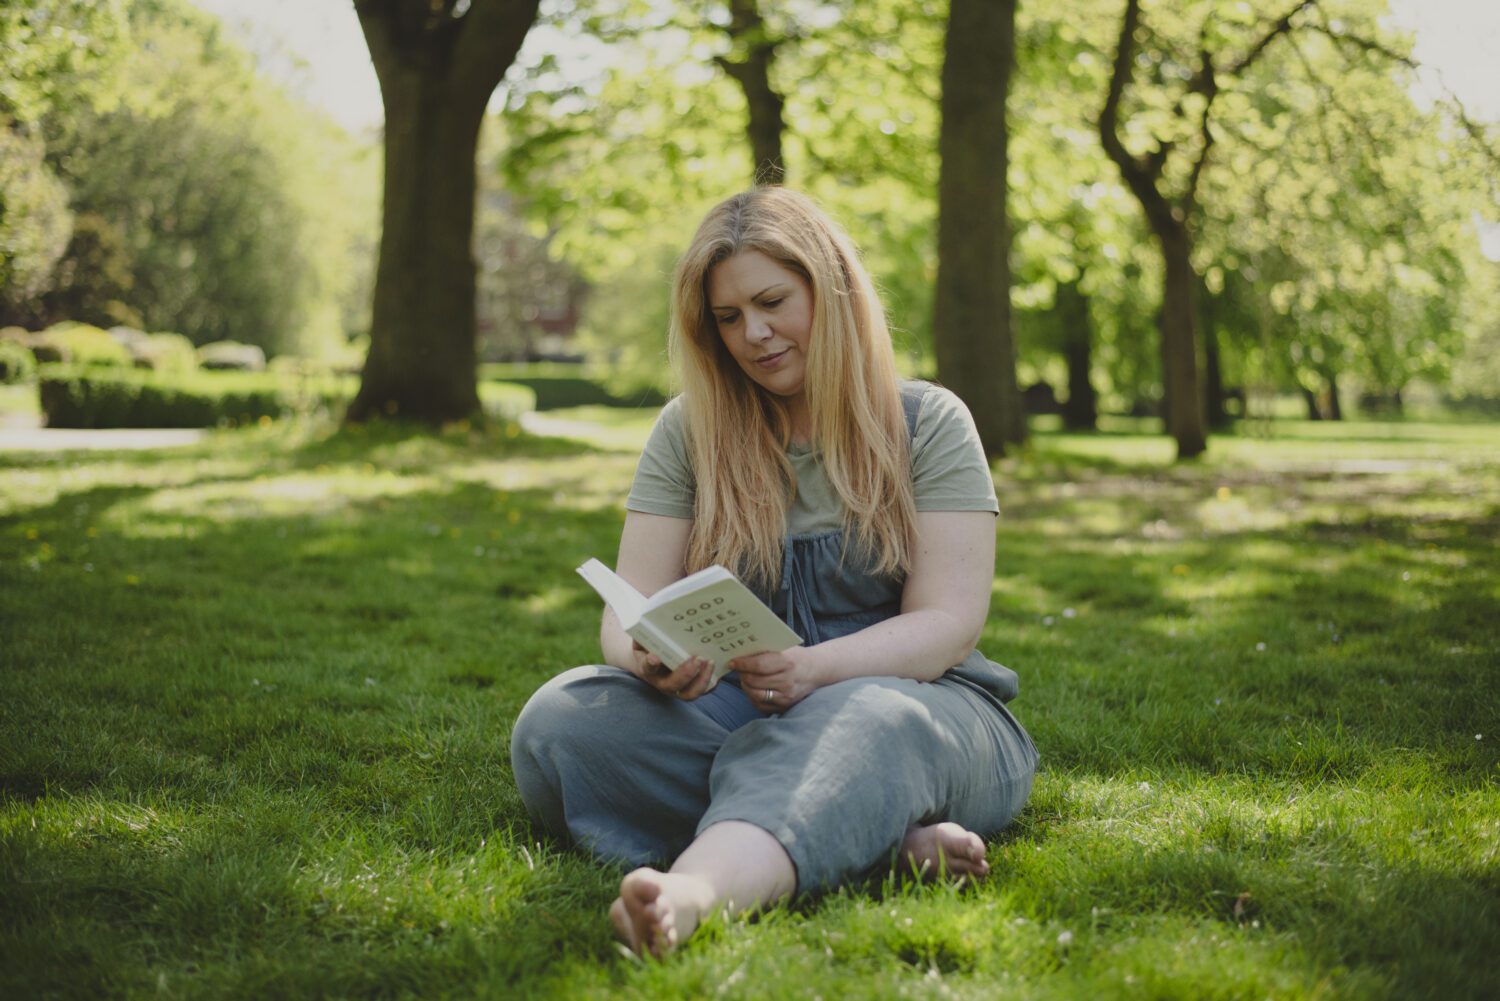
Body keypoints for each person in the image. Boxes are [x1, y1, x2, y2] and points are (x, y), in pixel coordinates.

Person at [509, 187, 1038, 958]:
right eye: (728, 317)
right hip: (745, 713)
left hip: (920, 711)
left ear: (832, 290)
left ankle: (695, 892)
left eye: (771, 302)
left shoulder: (930, 423)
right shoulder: (687, 432)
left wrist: (814, 669)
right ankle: (873, 840)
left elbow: (947, 625)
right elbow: (627, 611)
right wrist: (646, 656)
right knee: (563, 723)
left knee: (864, 722)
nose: (752, 334)